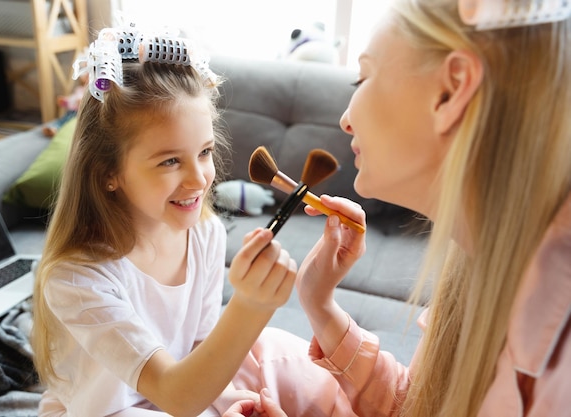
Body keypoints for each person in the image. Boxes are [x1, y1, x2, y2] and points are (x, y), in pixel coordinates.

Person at [224, 0, 571, 416]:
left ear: (450, 91)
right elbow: (421, 403)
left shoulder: (558, 370)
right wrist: (317, 300)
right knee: (257, 357)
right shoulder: (479, 270)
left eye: (362, 78)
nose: (345, 121)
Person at [29, 26, 302, 416]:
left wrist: (229, 404)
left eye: (204, 152)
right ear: (109, 173)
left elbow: (198, 352)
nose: (199, 179)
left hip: (174, 393)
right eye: (170, 161)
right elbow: (175, 395)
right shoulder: (77, 278)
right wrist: (252, 305)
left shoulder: (204, 233)